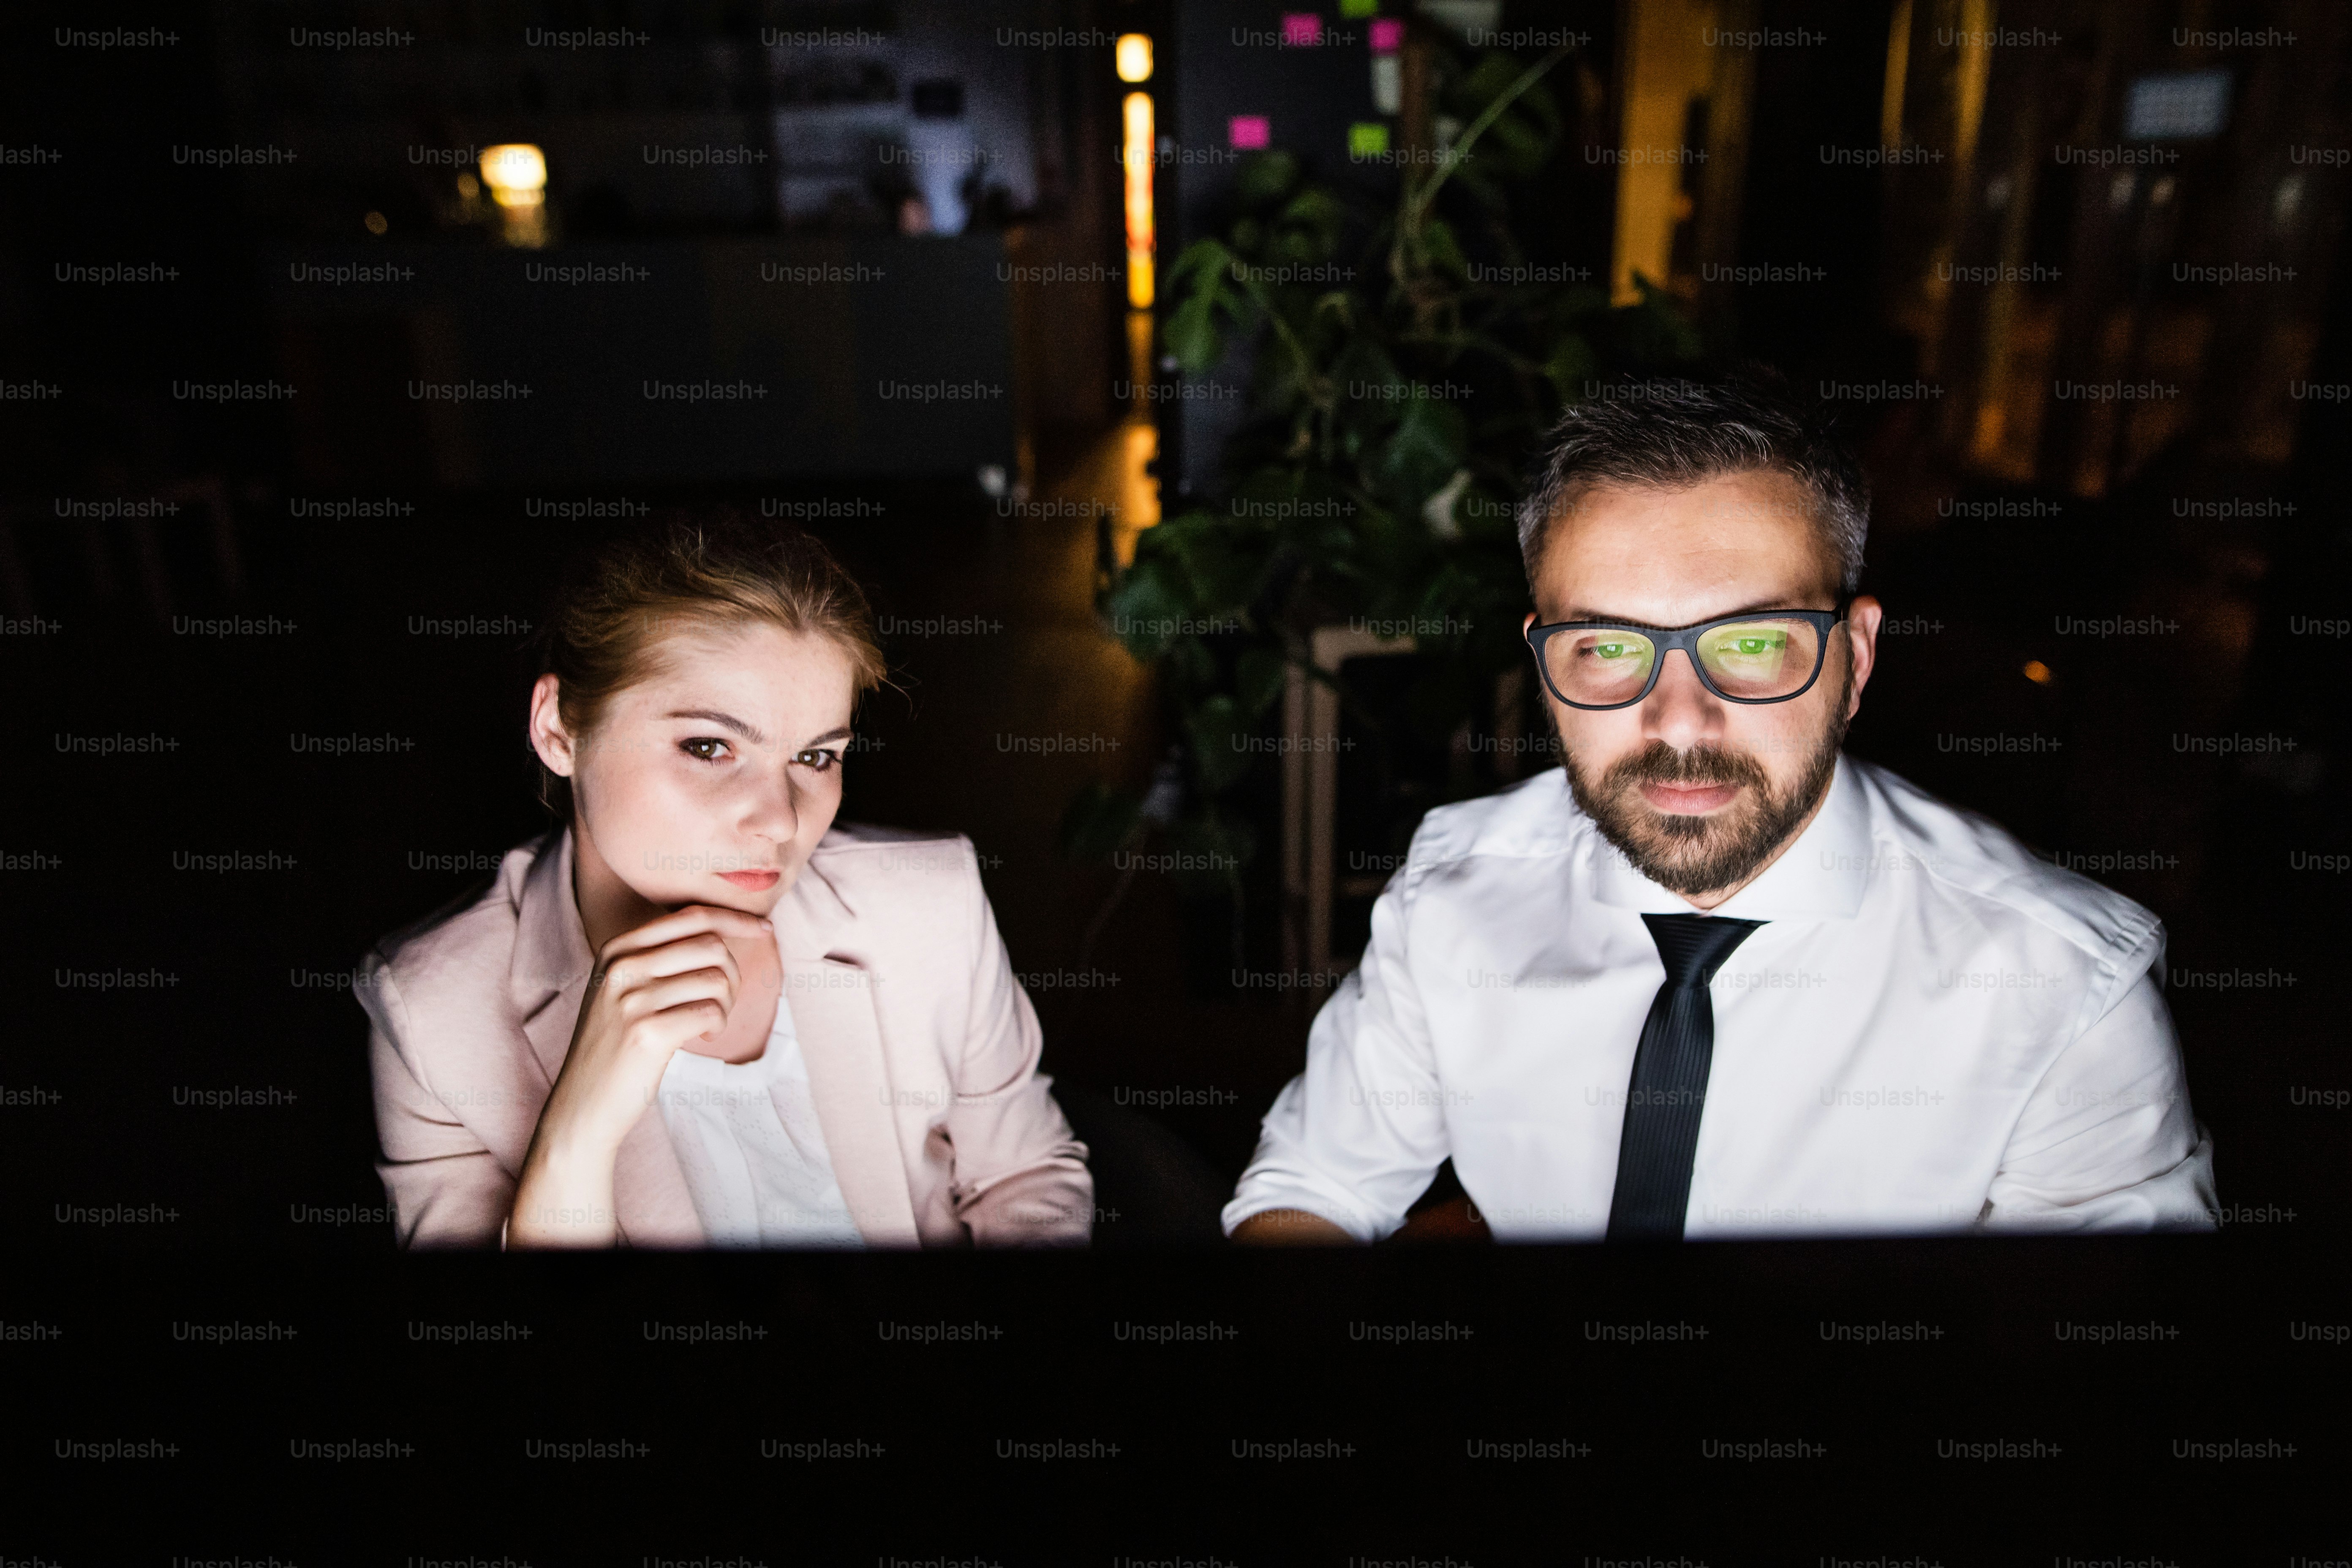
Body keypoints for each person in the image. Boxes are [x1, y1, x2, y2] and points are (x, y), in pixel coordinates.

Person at [1226, 372, 2217, 1243]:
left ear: (1855, 657)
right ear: (1543, 663)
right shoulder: (1454, 892)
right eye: (1608, 647)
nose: (1679, 722)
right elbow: (1315, 1185)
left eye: (1751, 643)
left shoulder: (2063, 992)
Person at [358, 517, 1092, 1249]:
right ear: (558, 730)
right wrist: (576, 1133)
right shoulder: (430, 1013)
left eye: (816, 757)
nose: (780, 820)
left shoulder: (933, 902)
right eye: (709, 747)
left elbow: (1023, 1178)